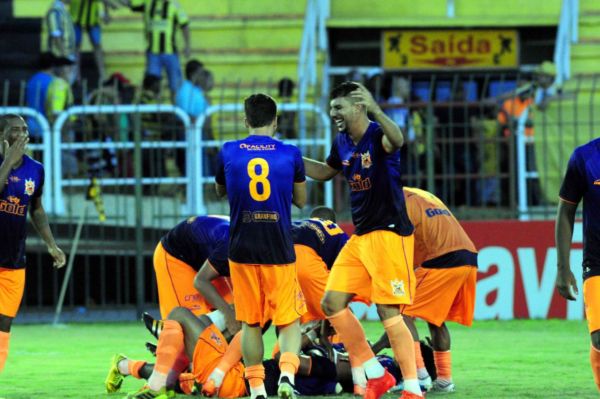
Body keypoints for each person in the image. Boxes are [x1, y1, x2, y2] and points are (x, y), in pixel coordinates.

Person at [302, 81, 423, 399]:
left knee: (388, 310)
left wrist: (377, 110)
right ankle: (374, 372)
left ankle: (412, 387)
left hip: (389, 232)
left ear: (358, 106)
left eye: (339, 107)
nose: (333, 113)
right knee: (332, 303)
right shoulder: (341, 141)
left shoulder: (377, 135)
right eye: (331, 108)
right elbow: (326, 172)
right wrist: (288, 158)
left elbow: (397, 139)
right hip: (361, 237)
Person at [215, 93, 307, 399]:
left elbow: (220, 190)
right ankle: (286, 376)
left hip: (241, 247)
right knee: (289, 319)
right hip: (278, 246)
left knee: (250, 322)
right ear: (276, 122)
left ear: (245, 121)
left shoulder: (228, 151)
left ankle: (256, 389)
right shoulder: (290, 153)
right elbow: (302, 200)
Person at [373, 187, 478, 393]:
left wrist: (373, 348)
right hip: (468, 256)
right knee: (435, 319)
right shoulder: (422, 195)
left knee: (401, 314)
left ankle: (419, 376)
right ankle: (445, 380)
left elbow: (397, 248)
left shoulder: (395, 203)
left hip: (442, 258)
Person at [105, 307, 341, 398]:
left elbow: (284, 357)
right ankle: (124, 365)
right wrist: (319, 339)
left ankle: (156, 383)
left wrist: (310, 336)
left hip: (232, 379)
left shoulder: (323, 366)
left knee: (179, 315)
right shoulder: (326, 380)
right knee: (176, 380)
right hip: (230, 384)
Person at [0, 115, 66, 372]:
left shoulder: (35, 169)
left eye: (25, 129)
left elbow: (36, 209)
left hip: (14, 260)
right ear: (2, 134)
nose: (23, 134)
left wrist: (51, 244)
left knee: (4, 322)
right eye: (16, 130)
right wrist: (8, 163)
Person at [555, 138, 600, 392]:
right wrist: (563, 267)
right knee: (599, 336)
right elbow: (566, 210)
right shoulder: (585, 157)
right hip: (597, 261)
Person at [153, 215, 233, 319]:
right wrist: (227, 314)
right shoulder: (231, 244)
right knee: (191, 324)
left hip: (209, 254)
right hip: (177, 257)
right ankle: (168, 331)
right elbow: (200, 281)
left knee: (238, 311)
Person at [123, 0, 191, 99]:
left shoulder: (174, 5)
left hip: (170, 53)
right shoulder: (149, 3)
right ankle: (155, 112)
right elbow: (132, 6)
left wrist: (187, 45)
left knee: (175, 87)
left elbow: (184, 25)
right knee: (152, 87)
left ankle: (175, 112)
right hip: (153, 54)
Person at [69, 0, 113, 81]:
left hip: (92, 19)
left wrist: (106, 13)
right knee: (76, 46)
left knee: (97, 45)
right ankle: (75, 76)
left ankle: (103, 75)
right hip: (76, 17)